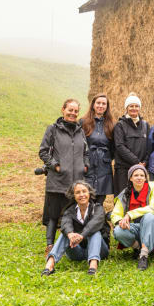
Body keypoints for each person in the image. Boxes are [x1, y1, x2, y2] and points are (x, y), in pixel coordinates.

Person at [39, 98, 89, 256]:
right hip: (58, 180)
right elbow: (43, 151)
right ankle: (50, 246)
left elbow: (86, 152)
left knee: (71, 214)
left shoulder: (80, 131)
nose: (73, 113)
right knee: (53, 215)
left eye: (76, 111)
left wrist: (85, 165)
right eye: (70, 110)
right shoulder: (53, 129)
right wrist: (55, 166)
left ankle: (69, 243)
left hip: (76, 183)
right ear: (63, 110)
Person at [41, 180, 110, 276]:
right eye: (78, 192)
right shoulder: (70, 210)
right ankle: (50, 265)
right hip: (77, 252)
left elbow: (94, 224)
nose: (82, 195)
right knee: (65, 233)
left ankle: (93, 266)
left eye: (84, 191)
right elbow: (65, 224)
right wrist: (70, 234)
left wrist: (82, 235)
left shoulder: (97, 208)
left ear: (89, 193)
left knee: (95, 232)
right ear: (74, 196)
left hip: (99, 251)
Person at [112, 164, 154, 271]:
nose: (139, 178)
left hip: (151, 227)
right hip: (134, 228)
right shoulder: (125, 193)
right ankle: (139, 248)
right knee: (117, 231)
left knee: (149, 216)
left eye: (142, 175)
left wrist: (130, 214)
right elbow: (115, 214)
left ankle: (143, 256)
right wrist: (120, 221)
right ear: (130, 178)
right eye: (136, 175)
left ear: (145, 177)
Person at [80, 93, 114, 206]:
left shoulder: (111, 124)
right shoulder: (83, 122)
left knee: (100, 197)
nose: (101, 105)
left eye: (103, 104)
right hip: (88, 163)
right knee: (86, 194)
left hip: (104, 165)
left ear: (107, 106)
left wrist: (107, 158)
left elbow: (113, 147)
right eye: (98, 103)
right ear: (93, 105)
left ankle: (97, 219)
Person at [113, 93, 150, 196]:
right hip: (124, 169)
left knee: (140, 199)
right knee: (122, 198)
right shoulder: (120, 125)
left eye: (136, 106)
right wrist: (137, 162)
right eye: (131, 106)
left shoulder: (145, 125)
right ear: (126, 108)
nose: (134, 108)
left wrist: (145, 162)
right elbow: (120, 146)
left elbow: (149, 146)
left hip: (140, 170)